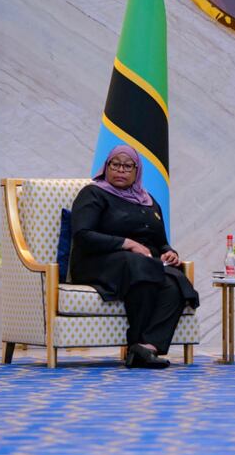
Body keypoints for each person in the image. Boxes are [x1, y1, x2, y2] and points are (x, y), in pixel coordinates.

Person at [70, 145, 200, 369]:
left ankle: (146, 348)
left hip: (140, 265)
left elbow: (160, 242)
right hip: (97, 262)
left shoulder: (148, 200)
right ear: (106, 167)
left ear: (136, 171)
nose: (121, 170)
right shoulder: (93, 193)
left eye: (127, 166)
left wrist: (170, 253)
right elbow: (83, 235)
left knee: (173, 283)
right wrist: (128, 244)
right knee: (139, 264)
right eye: (115, 164)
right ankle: (135, 342)